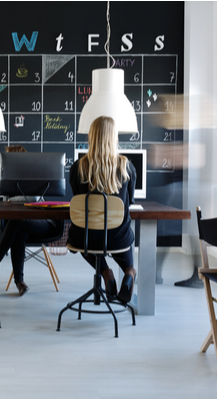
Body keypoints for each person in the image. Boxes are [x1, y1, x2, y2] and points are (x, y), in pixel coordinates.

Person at [0, 145, 63, 296]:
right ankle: (19, 282)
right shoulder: (9, 183)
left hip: (45, 224)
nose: (4, 166)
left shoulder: (34, 177)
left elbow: (34, 199)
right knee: (18, 232)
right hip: (25, 226)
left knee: (16, 222)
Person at [67, 116, 137, 303]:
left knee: (85, 239)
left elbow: (78, 200)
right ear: (114, 138)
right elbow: (128, 203)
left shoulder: (78, 168)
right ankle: (129, 272)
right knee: (122, 236)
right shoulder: (126, 167)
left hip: (85, 237)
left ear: (92, 137)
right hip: (117, 237)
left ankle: (106, 273)